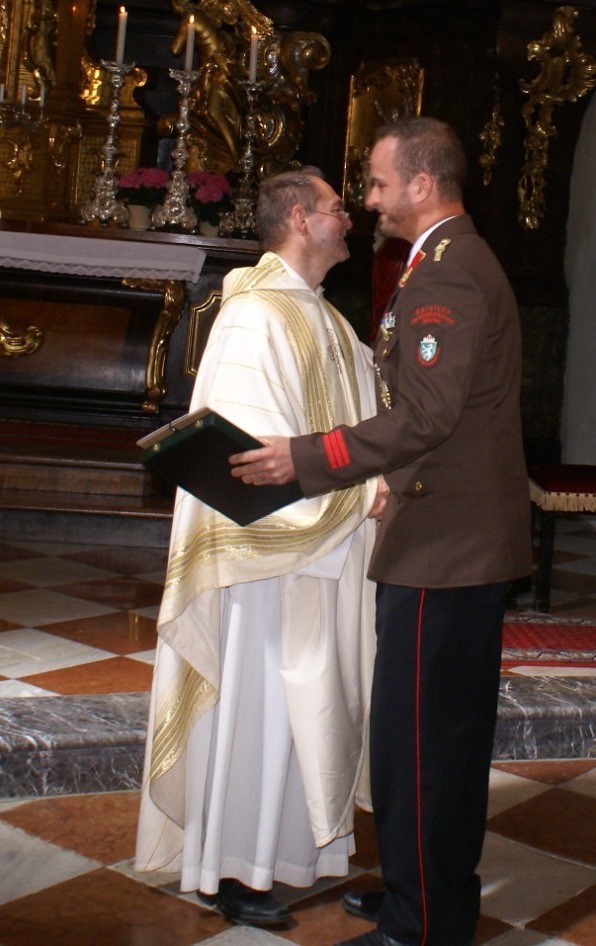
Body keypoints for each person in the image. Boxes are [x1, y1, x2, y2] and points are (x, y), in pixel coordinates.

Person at [230, 118, 532, 946]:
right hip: (449, 537)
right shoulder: (445, 262)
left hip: (445, 548)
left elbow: (424, 416)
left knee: (422, 748)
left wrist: (303, 458)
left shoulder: (450, 273)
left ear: (422, 185)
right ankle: (426, 894)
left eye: (377, 182)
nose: (368, 199)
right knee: (433, 742)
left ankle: (420, 924)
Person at [135, 167, 385, 928]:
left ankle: (292, 857)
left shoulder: (329, 319)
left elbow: (364, 431)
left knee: (306, 709)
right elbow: (246, 465)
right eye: (337, 208)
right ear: (302, 219)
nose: (350, 219)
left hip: (327, 554)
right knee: (260, 711)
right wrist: (361, 496)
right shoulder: (253, 315)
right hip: (263, 567)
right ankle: (231, 868)